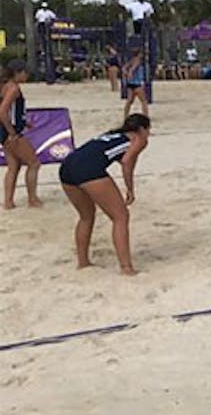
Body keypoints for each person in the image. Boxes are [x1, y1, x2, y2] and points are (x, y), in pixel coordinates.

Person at [58, 114, 151, 275]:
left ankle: (83, 262)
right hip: (89, 169)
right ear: (142, 129)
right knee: (120, 217)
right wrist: (130, 189)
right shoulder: (139, 139)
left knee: (86, 216)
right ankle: (126, 268)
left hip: (67, 166)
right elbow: (128, 163)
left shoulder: (111, 135)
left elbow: (117, 157)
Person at [2, 60, 43, 209]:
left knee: (13, 166)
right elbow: (3, 112)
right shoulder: (13, 88)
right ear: (18, 73)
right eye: (25, 72)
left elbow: (12, 111)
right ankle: (32, 199)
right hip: (11, 132)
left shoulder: (6, 86)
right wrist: (12, 132)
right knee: (34, 163)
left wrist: (23, 122)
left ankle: (8, 201)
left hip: (5, 131)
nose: (27, 75)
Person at [123, 47, 149, 119]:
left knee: (129, 101)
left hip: (130, 83)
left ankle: (126, 116)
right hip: (137, 83)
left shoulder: (131, 60)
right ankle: (145, 116)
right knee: (144, 101)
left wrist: (126, 73)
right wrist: (130, 73)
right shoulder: (138, 60)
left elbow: (124, 68)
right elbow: (133, 69)